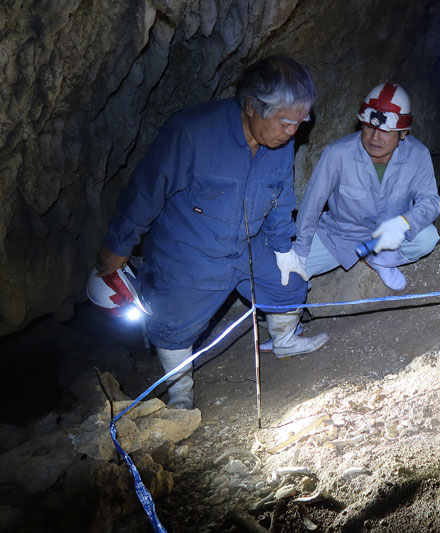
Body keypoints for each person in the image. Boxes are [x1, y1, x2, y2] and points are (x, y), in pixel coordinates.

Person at [95, 56, 328, 410]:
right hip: (190, 251)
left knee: (290, 283)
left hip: (248, 246)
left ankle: (284, 341)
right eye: (285, 121)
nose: (293, 131)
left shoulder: (280, 141)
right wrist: (119, 245)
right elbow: (147, 189)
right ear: (251, 106)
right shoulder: (192, 134)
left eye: (300, 121)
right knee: (172, 323)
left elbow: (280, 194)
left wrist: (283, 248)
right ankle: (179, 390)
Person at [292, 83, 440, 292]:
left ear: (403, 133)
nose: (374, 138)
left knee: (428, 238)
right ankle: (290, 324)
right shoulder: (337, 154)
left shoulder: (418, 155)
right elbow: (311, 205)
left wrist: (403, 223)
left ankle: (382, 260)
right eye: (369, 127)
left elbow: (431, 201)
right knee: (287, 277)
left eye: (385, 132)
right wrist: (300, 250)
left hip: (389, 236)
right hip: (340, 235)